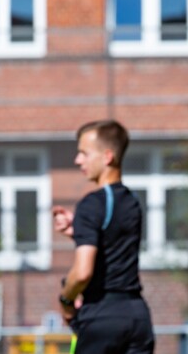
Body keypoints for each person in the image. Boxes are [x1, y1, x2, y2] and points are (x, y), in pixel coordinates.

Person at [53, 120, 154, 354]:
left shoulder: (92, 203)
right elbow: (112, 248)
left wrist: (66, 301)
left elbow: (82, 273)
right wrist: (77, 230)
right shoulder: (132, 202)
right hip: (137, 317)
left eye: (84, 153)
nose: (78, 160)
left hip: (102, 317)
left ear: (107, 156)